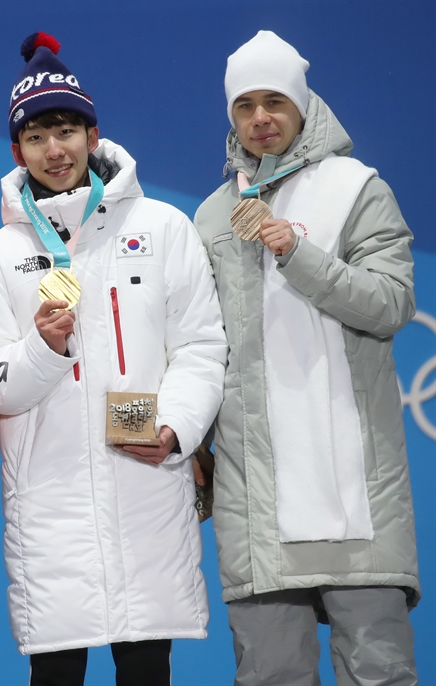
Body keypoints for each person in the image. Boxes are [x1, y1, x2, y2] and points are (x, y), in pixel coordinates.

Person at [0, 33, 227, 686]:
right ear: (17, 149)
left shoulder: (163, 228)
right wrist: (42, 350)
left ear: (92, 134)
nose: (55, 149)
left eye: (66, 130)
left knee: (145, 669)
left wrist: (176, 429)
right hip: (50, 502)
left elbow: (201, 346)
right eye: (38, 136)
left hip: (147, 483)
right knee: (56, 674)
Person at [193, 30, 420, 685]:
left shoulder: (356, 189)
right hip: (254, 495)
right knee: (270, 676)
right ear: (231, 115)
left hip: (355, 488)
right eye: (245, 105)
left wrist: (296, 252)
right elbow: (203, 348)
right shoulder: (213, 217)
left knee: (378, 671)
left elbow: (390, 303)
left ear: (301, 105)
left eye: (274, 102)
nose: (260, 118)